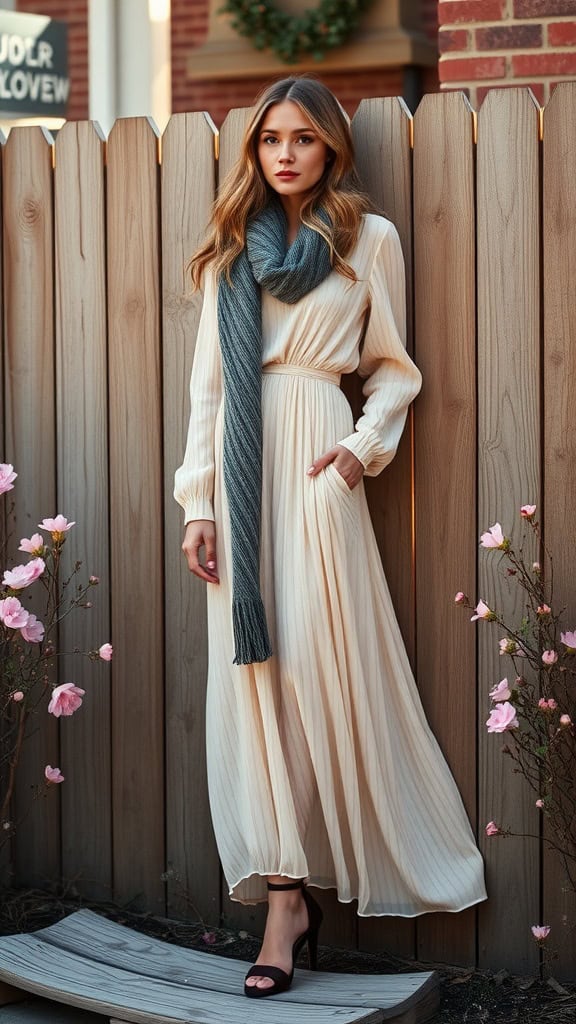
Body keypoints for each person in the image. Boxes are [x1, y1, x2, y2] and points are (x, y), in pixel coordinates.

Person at [174, 75, 486, 999]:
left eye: (302, 138)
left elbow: (393, 371)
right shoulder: (231, 252)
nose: (284, 154)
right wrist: (197, 502)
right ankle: (284, 899)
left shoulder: (365, 240)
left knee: (310, 673)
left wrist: (358, 451)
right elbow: (207, 392)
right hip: (238, 480)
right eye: (270, 138)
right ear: (254, 151)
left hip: (314, 470)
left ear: (331, 148)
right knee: (253, 684)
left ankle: (298, 899)